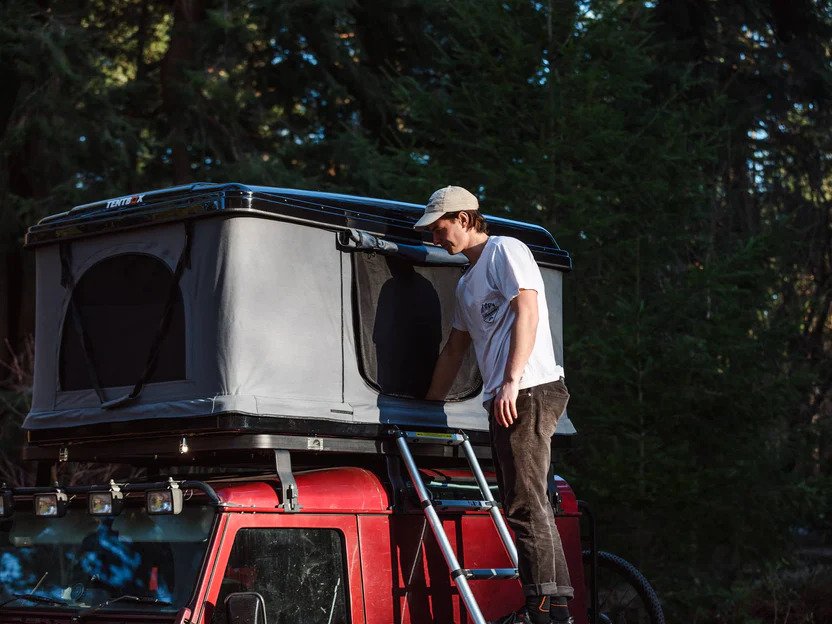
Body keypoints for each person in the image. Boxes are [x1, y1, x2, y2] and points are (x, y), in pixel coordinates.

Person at [417, 186, 573, 624]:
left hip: (530, 389)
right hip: (506, 396)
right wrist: (427, 406)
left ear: (465, 219)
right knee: (528, 500)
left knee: (525, 502)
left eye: (440, 227)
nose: (435, 238)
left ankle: (543, 605)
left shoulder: (505, 250)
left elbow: (528, 309)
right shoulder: (466, 283)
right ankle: (556, 603)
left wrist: (510, 380)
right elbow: (454, 350)